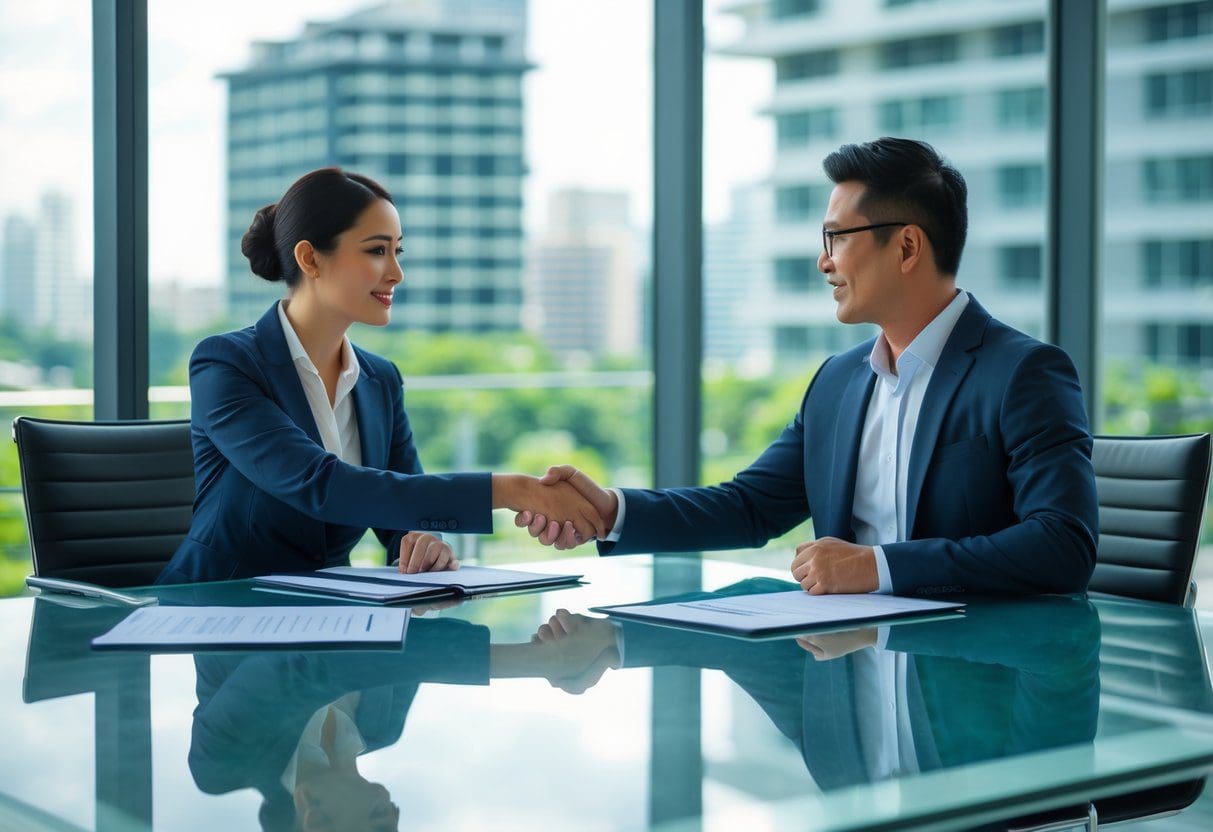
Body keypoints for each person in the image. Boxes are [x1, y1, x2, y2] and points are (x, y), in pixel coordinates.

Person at [518, 137, 1099, 597]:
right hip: (853, 672)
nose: (823, 262)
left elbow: (1062, 544)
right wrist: (612, 510)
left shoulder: (1023, 373)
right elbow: (749, 507)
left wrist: (876, 568)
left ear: (906, 248)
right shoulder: (838, 383)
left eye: (836, 237)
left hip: (975, 687)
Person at [157, 168, 603, 585]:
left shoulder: (380, 380)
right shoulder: (226, 365)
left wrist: (422, 543)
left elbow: (399, 514)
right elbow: (322, 485)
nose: (396, 272)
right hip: (219, 613)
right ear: (310, 258)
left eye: (397, 250)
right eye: (376, 250)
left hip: (328, 624)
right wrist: (513, 490)